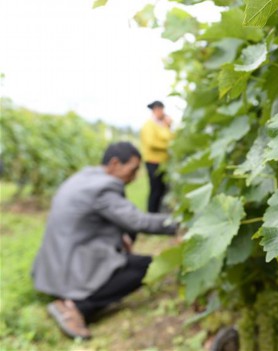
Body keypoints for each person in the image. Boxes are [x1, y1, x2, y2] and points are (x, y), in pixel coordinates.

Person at [31, 142, 178, 340]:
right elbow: (139, 221)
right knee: (146, 268)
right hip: (72, 269)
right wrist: (182, 223)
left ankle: (71, 297)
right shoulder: (104, 188)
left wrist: (121, 237)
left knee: (128, 243)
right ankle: (75, 307)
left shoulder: (85, 177)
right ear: (115, 163)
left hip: (54, 266)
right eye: (133, 170)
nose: (134, 178)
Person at [140, 100, 173, 213]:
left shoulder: (162, 125)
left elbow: (171, 138)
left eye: (162, 109)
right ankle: (151, 213)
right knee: (155, 189)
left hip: (162, 162)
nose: (161, 112)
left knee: (162, 188)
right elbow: (151, 143)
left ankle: (157, 212)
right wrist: (167, 146)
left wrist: (168, 126)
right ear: (154, 110)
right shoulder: (149, 125)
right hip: (153, 162)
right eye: (159, 110)